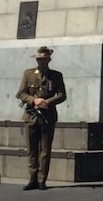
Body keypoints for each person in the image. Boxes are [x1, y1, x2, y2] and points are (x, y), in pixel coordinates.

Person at [17, 46, 67, 190]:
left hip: (47, 116)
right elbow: (21, 93)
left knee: (45, 150)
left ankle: (41, 180)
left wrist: (47, 102)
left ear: (49, 60)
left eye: (44, 59)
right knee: (32, 149)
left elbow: (62, 95)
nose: (42, 62)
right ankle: (32, 178)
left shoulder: (56, 75)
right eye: (39, 59)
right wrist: (34, 100)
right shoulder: (29, 74)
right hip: (31, 115)